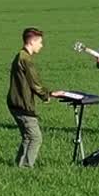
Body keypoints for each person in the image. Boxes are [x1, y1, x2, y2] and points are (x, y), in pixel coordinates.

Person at [7, 28, 65, 168]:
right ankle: (26, 167)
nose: (41, 45)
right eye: (40, 42)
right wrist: (48, 94)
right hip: (23, 104)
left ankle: (19, 166)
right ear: (32, 42)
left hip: (15, 103)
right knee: (36, 137)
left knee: (27, 137)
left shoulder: (20, 56)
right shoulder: (25, 59)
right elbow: (35, 83)